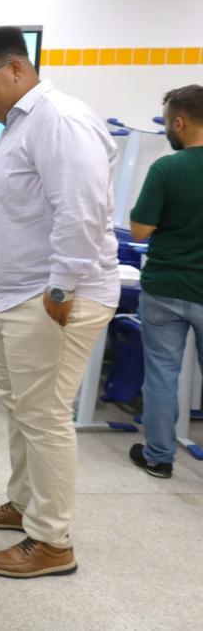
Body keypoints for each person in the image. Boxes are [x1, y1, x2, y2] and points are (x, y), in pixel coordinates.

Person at [0, 26, 119, 578]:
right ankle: (24, 505)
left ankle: (51, 541)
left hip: (47, 298)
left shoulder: (60, 119)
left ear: (17, 69)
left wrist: (60, 287)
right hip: (15, 297)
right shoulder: (19, 126)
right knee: (23, 407)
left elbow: (82, 207)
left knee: (45, 415)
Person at [127, 85, 203, 479]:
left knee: (161, 374)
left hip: (165, 288)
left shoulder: (167, 169)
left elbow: (139, 230)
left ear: (180, 121)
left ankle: (158, 457)